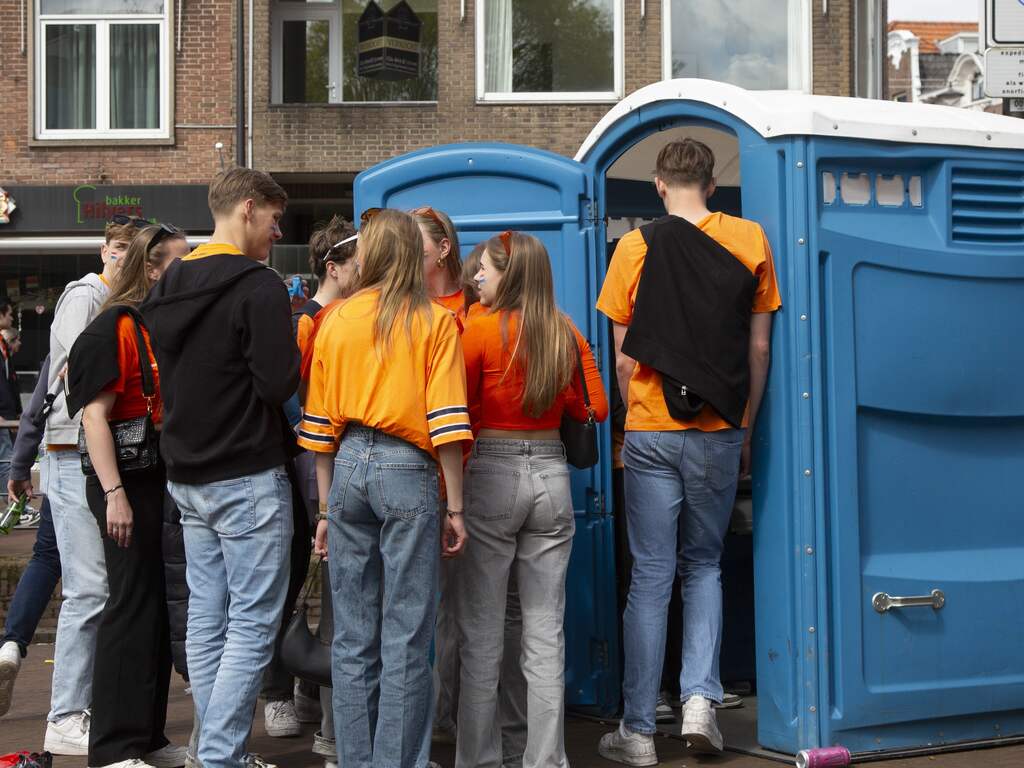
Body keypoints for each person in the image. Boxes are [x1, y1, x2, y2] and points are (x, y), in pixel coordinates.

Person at [596, 139, 780, 762]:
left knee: (650, 575)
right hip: (721, 431)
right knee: (704, 567)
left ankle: (639, 732)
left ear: (658, 185)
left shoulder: (634, 246)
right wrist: (746, 425)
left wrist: (635, 416)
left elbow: (624, 357)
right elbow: (759, 349)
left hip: (651, 429)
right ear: (710, 181)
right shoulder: (750, 240)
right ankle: (702, 702)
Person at [299, 208, 471, 768]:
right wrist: (457, 506)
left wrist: (325, 510)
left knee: (350, 634)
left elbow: (320, 430)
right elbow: (447, 424)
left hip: (347, 466)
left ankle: (355, 759)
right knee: (406, 632)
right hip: (408, 468)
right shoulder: (433, 322)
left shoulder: (337, 321)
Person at [141, 167, 300, 768]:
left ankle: (215, 753)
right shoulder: (259, 287)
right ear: (248, 209)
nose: (276, 231)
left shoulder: (172, 280)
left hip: (188, 475)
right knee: (254, 627)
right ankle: (217, 758)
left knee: (207, 623)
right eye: (274, 219)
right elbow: (278, 381)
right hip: (246, 473)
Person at [455, 230, 608, 768]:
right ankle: (545, 760)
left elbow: (458, 407)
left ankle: (479, 760)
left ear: (510, 274)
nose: (475, 277)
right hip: (551, 477)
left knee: (481, 630)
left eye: (485, 270)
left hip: (492, 473)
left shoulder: (476, 331)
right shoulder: (563, 331)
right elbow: (598, 407)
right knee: (545, 631)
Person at [67, 223, 190, 768]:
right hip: (125, 480)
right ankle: (114, 747)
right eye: (180, 263)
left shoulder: (146, 324)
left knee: (153, 606)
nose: (190, 272)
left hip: (149, 477)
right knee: (129, 603)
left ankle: (146, 737)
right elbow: (94, 417)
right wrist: (114, 493)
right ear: (153, 268)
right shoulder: (111, 327)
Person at [42, 216, 138, 754]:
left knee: (100, 587)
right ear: (104, 250)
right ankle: (64, 714)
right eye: (118, 248)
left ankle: (83, 706)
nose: (123, 258)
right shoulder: (86, 297)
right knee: (88, 589)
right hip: (68, 449)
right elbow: (81, 377)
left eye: (132, 250)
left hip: (84, 451)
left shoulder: (117, 303)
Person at [262, 215, 358, 751]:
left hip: (339, 460)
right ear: (334, 268)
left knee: (325, 579)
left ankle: (305, 688)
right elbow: (286, 391)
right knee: (299, 569)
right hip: (312, 461)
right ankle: (280, 688)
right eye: (359, 262)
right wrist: (309, 435)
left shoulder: (354, 314)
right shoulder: (308, 322)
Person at [0, 354, 60, 717]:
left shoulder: (59, 342)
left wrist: (20, 466)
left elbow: (34, 409)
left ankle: (11, 643)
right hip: (110, 467)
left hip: (58, 465)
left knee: (45, 557)